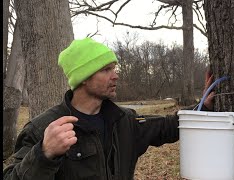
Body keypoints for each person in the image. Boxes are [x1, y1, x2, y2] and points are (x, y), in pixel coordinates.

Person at [3, 37, 215, 180]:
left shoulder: (124, 120)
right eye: (106, 70)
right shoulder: (43, 129)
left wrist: (202, 105)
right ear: (83, 78)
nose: (115, 75)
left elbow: (167, 126)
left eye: (114, 68)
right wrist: (44, 154)